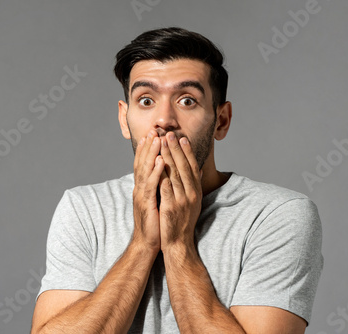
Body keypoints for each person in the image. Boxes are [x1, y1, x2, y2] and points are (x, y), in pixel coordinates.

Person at [31, 27, 323, 334]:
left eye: (187, 100)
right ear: (124, 119)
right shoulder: (84, 208)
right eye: (146, 100)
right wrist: (142, 244)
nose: (164, 119)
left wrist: (178, 245)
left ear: (221, 121)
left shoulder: (278, 215)